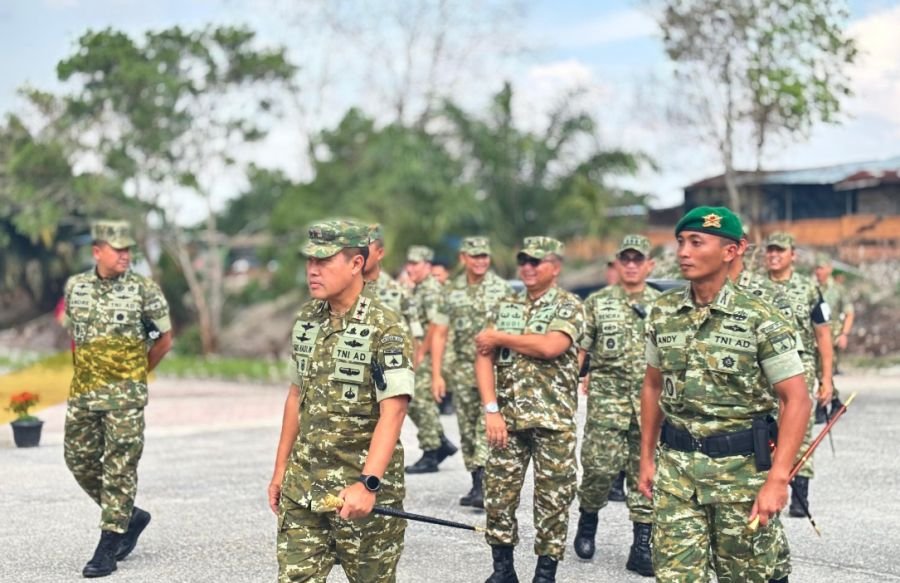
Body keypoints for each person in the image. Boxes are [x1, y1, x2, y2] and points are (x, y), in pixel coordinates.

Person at [639, 207, 811, 582]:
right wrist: (646, 459)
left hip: (741, 476)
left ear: (732, 251)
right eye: (681, 242)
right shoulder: (663, 312)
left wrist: (778, 479)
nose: (683, 251)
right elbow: (653, 386)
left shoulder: (760, 317)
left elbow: (796, 399)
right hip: (676, 472)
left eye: (696, 242)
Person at [268, 219, 414, 582]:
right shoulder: (307, 319)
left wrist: (368, 484)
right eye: (309, 262)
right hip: (303, 489)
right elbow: (295, 396)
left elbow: (393, 413)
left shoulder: (386, 327)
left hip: (360, 495)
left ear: (356, 263)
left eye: (324, 261)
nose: (313, 271)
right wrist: (280, 470)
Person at [63, 220, 173, 578]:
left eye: (129, 249)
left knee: (119, 466)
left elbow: (164, 340)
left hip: (125, 397)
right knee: (77, 458)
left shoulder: (145, 290)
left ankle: (108, 546)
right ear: (98, 251)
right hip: (84, 392)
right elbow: (76, 337)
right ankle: (131, 515)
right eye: (118, 249)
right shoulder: (75, 287)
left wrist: (137, 375)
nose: (126, 255)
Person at [475, 236, 585, 583]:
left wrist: (502, 337)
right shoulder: (505, 305)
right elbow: (482, 355)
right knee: (497, 496)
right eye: (523, 260)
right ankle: (503, 570)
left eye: (536, 261)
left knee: (552, 501)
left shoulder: (569, 305)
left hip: (553, 423)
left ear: (555, 267)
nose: (527, 267)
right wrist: (491, 409)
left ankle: (545, 573)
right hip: (506, 421)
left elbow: (551, 346)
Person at [574, 235, 658, 577]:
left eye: (639, 259)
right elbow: (582, 348)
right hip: (607, 402)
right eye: (626, 259)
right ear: (618, 264)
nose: (633, 264)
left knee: (646, 473)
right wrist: (572, 381)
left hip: (649, 404)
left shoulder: (663, 305)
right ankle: (588, 519)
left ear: (649, 265)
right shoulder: (598, 303)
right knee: (597, 469)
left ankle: (641, 546)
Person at [430, 236, 513, 509]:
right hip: (463, 368)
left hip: (496, 368)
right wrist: (437, 374)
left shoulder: (503, 290)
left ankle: (483, 484)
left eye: (484, 256)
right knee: (466, 428)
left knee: (484, 424)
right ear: (463, 258)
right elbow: (440, 334)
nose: (480, 261)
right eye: (475, 256)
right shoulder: (451, 292)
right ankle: (477, 478)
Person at [765, 232, 833, 517]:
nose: (774, 255)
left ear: (793, 255)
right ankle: (766, 487)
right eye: (770, 250)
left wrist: (827, 377)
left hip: (799, 366)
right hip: (763, 368)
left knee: (801, 430)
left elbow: (823, 334)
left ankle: (799, 495)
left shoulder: (809, 290)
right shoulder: (753, 288)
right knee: (765, 428)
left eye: (780, 250)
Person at [404, 245, 458, 473]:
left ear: (427, 266)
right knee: (414, 400)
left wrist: (421, 352)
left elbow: (435, 325)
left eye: (415, 264)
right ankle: (440, 442)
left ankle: (432, 451)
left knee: (419, 400)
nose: (410, 269)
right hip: (422, 352)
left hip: (434, 354)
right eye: (409, 263)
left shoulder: (431, 289)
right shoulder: (419, 289)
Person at [813, 253, 852, 419]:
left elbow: (849, 312)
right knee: (816, 370)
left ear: (829, 269)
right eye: (816, 268)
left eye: (821, 268)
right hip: (815, 338)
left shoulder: (838, 290)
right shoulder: (813, 289)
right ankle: (833, 402)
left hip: (832, 337)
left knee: (825, 370)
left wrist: (844, 334)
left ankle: (825, 406)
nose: (818, 272)